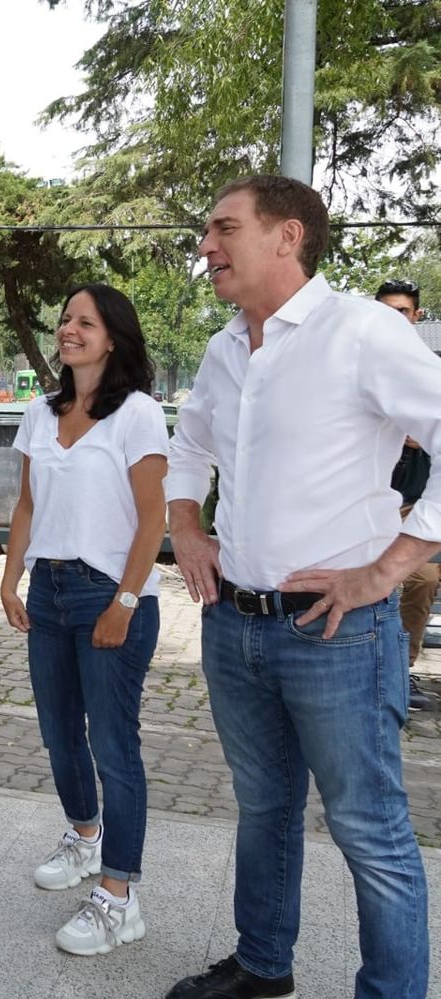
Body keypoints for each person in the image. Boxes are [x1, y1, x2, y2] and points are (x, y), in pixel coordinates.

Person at [166, 175, 436, 999]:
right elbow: (188, 446)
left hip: (337, 632)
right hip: (233, 624)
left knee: (369, 830)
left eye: (224, 228)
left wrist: (388, 566)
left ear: (288, 236)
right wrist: (185, 527)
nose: (207, 246)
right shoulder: (223, 349)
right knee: (264, 808)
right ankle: (262, 965)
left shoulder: (360, 331)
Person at [0, 284, 168, 955]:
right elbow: (25, 505)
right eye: (65, 317)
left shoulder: (138, 413)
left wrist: (125, 602)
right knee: (59, 733)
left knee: (114, 748)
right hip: (50, 590)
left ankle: (120, 897)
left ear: (113, 337)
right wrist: (11, 575)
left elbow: (153, 516)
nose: (69, 328)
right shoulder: (41, 413)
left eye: (85, 321)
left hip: (110, 593)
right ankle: (84, 838)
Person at [378, 278, 438, 712]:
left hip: (415, 507)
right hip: (368, 505)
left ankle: (402, 668)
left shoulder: (427, 370)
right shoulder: (360, 363)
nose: (394, 319)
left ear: (416, 316)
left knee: (421, 578)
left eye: (402, 311)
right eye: (386, 310)